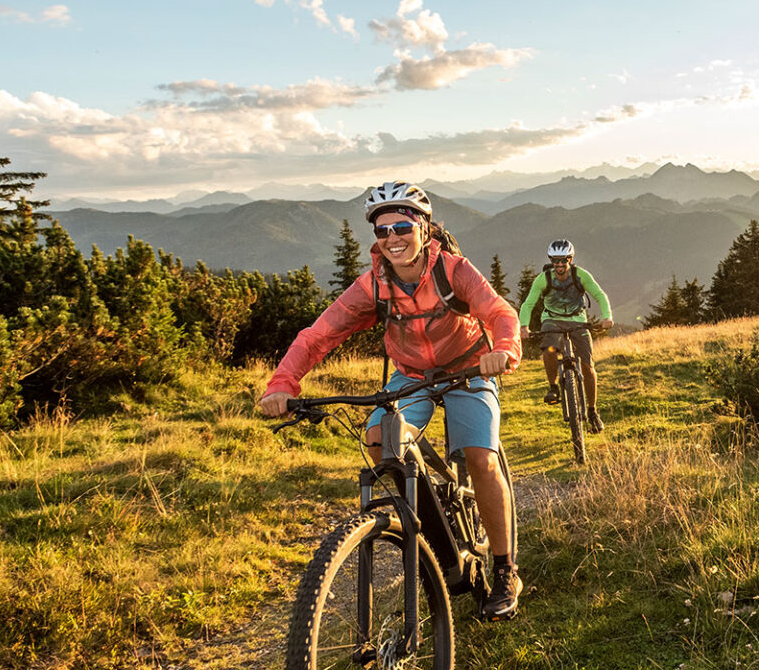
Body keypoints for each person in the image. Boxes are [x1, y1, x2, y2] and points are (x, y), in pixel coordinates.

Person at [257, 181, 525, 620]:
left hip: (469, 367)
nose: (392, 238)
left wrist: (505, 348)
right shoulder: (373, 286)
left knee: (481, 457)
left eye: (402, 226)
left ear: (423, 228)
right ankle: (432, 541)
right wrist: (282, 384)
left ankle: (504, 569)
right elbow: (319, 335)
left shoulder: (454, 270)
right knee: (382, 441)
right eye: (383, 231)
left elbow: (498, 311)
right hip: (411, 376)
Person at [518, 238, 613, 433]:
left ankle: (593, 411)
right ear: (551, 261)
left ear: (570, 259)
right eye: (555, 261)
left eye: (564, 260)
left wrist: (607, 317)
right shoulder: (543, 279)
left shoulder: (581, 276)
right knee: (549, 348)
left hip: (578, 320)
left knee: (587, 366)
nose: (560, 265)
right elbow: (528, 304)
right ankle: (553, 386)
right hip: (552, 320)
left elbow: (600, 295)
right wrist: (523, 327)